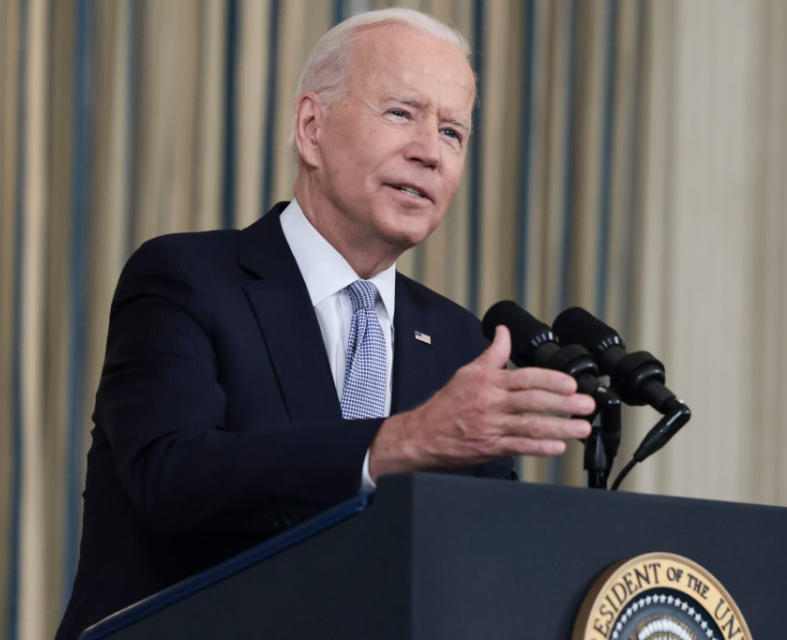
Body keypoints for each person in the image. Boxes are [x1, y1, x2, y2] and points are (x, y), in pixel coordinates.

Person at [56, 8, 593, 639]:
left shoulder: (459, 344)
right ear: (312, 128)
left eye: (453, 132)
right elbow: (171, 478)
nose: (429, 152)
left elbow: (488, 560)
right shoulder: (187, 279)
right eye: (401, 112)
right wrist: (392, 446)